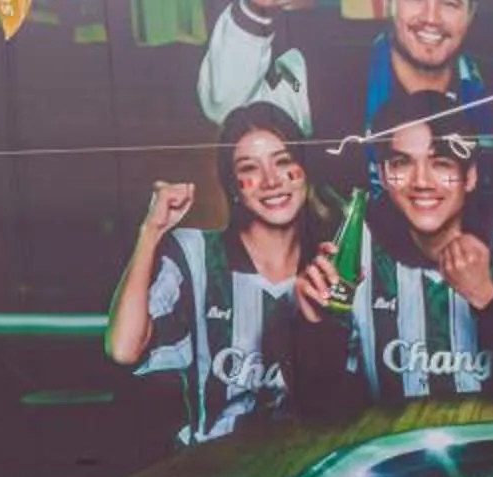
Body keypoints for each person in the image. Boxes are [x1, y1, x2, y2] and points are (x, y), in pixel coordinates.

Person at [104, 106, 348, 441]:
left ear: (304, 169)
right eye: (250, 169)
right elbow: (123, 348)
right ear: (234, 187)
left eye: (283, 162)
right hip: (218, 471)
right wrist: (151, 230)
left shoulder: (333, 263)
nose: (272, 181)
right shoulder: (197, 256)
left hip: (304, 470)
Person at [198, 0, 493, 193]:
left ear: (470, 13)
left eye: (449, 3)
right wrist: (257, 7)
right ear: (387, 1)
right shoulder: (321, 73)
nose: (431, 17)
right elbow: (229, 111)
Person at [327, 91, 493, 406]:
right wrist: (314, 322)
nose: (422, 181)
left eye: (440, 162)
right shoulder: (353, 252)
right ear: (383, 176)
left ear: (469, 176)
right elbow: (320, 401)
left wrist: (487, 300)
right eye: (402, 163)